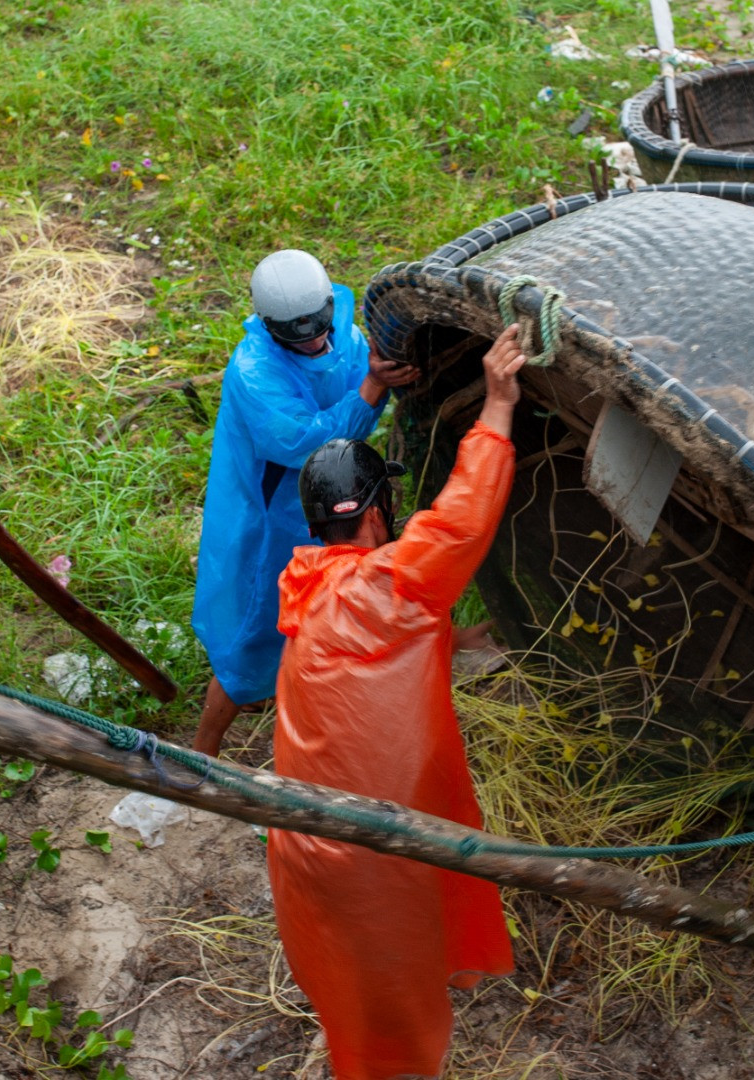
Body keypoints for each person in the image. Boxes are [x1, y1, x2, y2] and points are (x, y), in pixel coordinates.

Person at [268, 324, 527, 1080]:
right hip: (372, 850)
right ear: (379, 512)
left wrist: (459, 641)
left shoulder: (310, 591)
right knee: (396, 1019)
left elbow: (373, 660)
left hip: (308, 847)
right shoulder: (395, 586)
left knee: (354, 984)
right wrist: (501, 404)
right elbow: (461, 516)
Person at [188, 249, 418, 756]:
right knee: (257, 627)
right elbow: (303, 442)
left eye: (320, 326)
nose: (316, 340)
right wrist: (373, 386)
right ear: (270, 326)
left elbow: (361, 373)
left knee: (335, 603)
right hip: (271, 517)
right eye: (299, 336)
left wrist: (380, 376)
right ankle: (204, 749)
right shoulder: (254, 372)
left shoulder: (344, 335)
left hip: (330, 500)